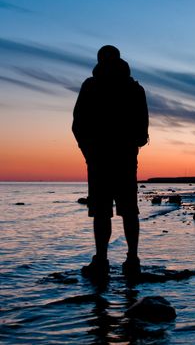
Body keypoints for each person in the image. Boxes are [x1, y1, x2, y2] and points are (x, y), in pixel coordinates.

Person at [72, 45, 149, 281]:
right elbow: (142, 131)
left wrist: (89, 151)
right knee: (124, 211)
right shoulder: (132, 88)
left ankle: (105, 260)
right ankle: (129, 260)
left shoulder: (94, 86)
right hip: (118, 158)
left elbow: (77, 126)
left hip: (104, 158)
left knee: (105, 212)